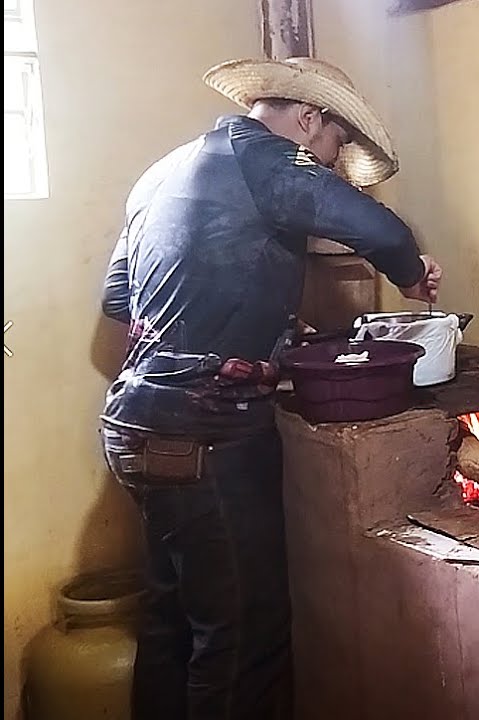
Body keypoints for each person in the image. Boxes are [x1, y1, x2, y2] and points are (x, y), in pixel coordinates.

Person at [97, 56, 441, 720]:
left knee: (173, 618)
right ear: (309, 120)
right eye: (335, 147)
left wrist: (244, 305)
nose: (331, 165)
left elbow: (118, 297)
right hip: (206, 431)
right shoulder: (265, 158)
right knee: (240, 632)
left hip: (133, 421)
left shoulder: (163, 170)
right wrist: (410, 271)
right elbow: (381, 229)